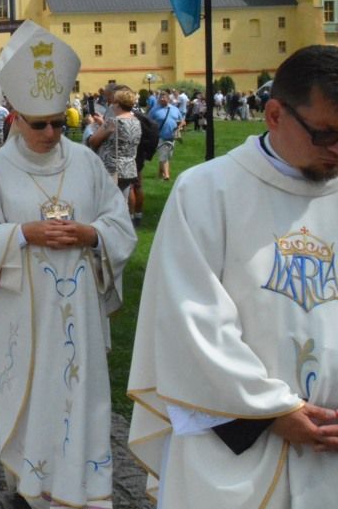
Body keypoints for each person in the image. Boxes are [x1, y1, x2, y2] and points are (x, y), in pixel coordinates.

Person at [128, 45, 338, 508]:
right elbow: (191, 323)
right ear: (275, 114)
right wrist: (272, 412)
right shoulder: (206, 192)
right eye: (326, 134)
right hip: (235, 450)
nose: (337, 150)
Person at [0, 21, 136, 508]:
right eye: (40, 123)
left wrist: (91, 233)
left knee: (82, 398)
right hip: (22, 314)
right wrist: (23, 234)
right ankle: (31, 484)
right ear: (16, 117)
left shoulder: (87, 164)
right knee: (33, 398)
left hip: (80, 316)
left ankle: (87, 488)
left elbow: (120, 227)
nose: (52, 132)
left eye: (58, 122)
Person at [87, 86, 141, 220]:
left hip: (111, 168)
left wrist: (91, 124)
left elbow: (94, 141)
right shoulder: (136, 121)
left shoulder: (112, 122)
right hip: (128, 167)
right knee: (122, 202)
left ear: (117, 104)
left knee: (108, 205)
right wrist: (103, 123)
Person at [149, 91, 185, 181]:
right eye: (160, 97)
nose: (161, 99)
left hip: (172, 136)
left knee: (167, 156)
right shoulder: (154, 110)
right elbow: (148, 122)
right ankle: (166, 176)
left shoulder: (175, 109)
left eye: (164, 97)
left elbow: (182, 121)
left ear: (168, 99)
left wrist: (180, 127)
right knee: (163, 156)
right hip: (160, 136)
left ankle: (160, 173)